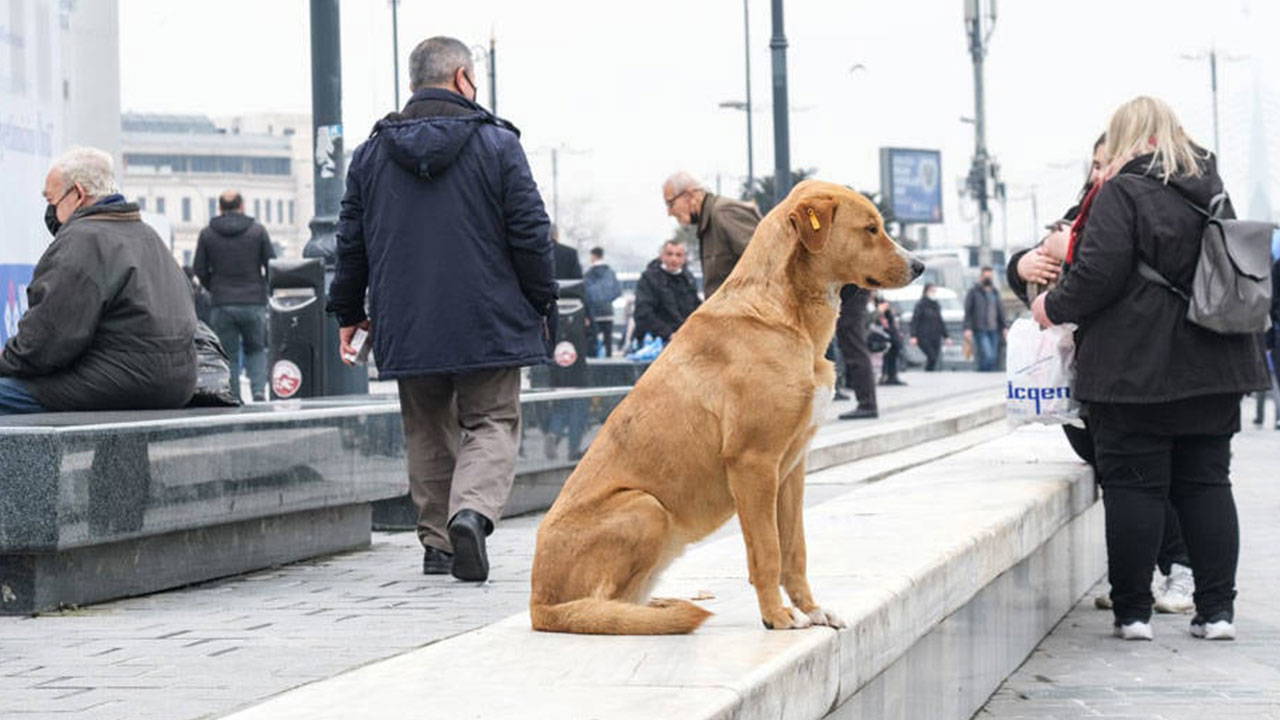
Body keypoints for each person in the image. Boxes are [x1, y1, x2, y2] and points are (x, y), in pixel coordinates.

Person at [1032, 96, 1269, 641]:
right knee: (1207, 483)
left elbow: (1097, 275)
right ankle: (1217, 613)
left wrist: (1052, 306)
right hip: (1214, 364)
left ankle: (1134, 614)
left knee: (1134, 488)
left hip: (1133, 371)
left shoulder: (1121, 192)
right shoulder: (1213, 191)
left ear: (1124, 139)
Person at [327, 36, 555, 583]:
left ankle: (437, 546)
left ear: (413, 85)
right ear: (462, 78)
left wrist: (347, 311)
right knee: (492, 419)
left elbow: (350, 241)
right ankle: (471, 514)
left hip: (407, 318)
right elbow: (530, 232)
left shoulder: (371, 153)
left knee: (426, 428)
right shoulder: (498, 145)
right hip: (489, 314)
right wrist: (540, 298)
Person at [1010, 132, 1195, 615]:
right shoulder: (1092, 204)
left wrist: (1069, 249)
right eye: (1092, 164)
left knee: (1146, 476)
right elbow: (1046, 264)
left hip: (1142, 366)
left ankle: (1178, 568)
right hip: (1095, 370)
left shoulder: (1157, 202)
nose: (1096, 173)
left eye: (1103, 162)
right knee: (1119, 473)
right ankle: (1138, 580)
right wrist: (1022, 265)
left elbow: (1105, 269)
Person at [0, 147, 197, 413]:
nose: (50, 210)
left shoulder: (82, 240)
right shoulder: (148, 236)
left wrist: (5, 361)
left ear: (78, 194)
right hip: (175, 382)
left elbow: (45, 343)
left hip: (125, 382)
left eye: (52, 200)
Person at [193, 190, 275, 402]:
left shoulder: (207, 234)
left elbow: (199, 270)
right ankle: (258, 392)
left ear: (219, 208)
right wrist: (261, 288)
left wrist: (215, 287)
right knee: (256, 349)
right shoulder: (257, 232)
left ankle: (234, 395)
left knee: (227, 353)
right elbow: (271, 265)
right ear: (242, 206)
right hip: (253, 301)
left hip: (222, 303)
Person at [662, 172, 760, 297]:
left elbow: (764, 263)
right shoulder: (709, 223)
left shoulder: (723, 213)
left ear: (688, 196)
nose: (669, 212)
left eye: (671, 204)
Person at [632, 239, 700, 344]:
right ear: (662, 256)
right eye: (669, 254)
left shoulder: (688, 280)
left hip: (684, 339)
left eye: (678, 255)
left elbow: (695, 308)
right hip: (657, 340)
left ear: (684, 258)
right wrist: (667, 334)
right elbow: (643, 313)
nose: (674, 259)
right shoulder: (649, 278)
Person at [836, 285, 878, 419]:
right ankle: (867, 403)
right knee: (855, 348)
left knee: (855, 349)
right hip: (855, 291)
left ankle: (867, 405)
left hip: (853, 292)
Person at [963, 266, 1006, 371]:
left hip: (994, 329)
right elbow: (968, 311)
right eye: (986, 277)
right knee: (988, 355)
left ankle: (987, 375)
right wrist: (967, 328)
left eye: (990, 277)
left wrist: (1004, 327)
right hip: (980, 329)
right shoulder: (974, 292)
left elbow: (1000, 311)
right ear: (981, 277)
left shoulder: (995, 292)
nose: (988, 279)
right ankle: (984, 374)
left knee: (994, 356)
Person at [583, 246, 621, 357]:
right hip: (608, 311)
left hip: (593, 312)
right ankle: (609, 361)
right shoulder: (610, 273)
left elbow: (585, 294)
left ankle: (594, 367)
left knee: (593, 341)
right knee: (608, 340)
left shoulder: (588, 274)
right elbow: (617, 291)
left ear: (593, 256)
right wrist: (608, 300)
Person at [909, 283, 948, 372]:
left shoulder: (936, 304)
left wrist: (946, 336)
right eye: (932, 291)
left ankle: (930, 373)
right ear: (926, 291)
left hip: (936, 335)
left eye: (935, 291)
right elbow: (915, 320)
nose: (934, 293)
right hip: (923, 335)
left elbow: (940, 321)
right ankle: (928, 372)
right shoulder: (921, 304)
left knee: (934, 358)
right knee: (932, 356)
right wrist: (913, 336)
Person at [875, 295, 905, 386]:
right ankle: (885, 376)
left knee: (893, 353)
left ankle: (892, 376)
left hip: (891, 333)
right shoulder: (877, 305)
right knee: (887, 355)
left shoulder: (884, 304)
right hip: (883, 333)